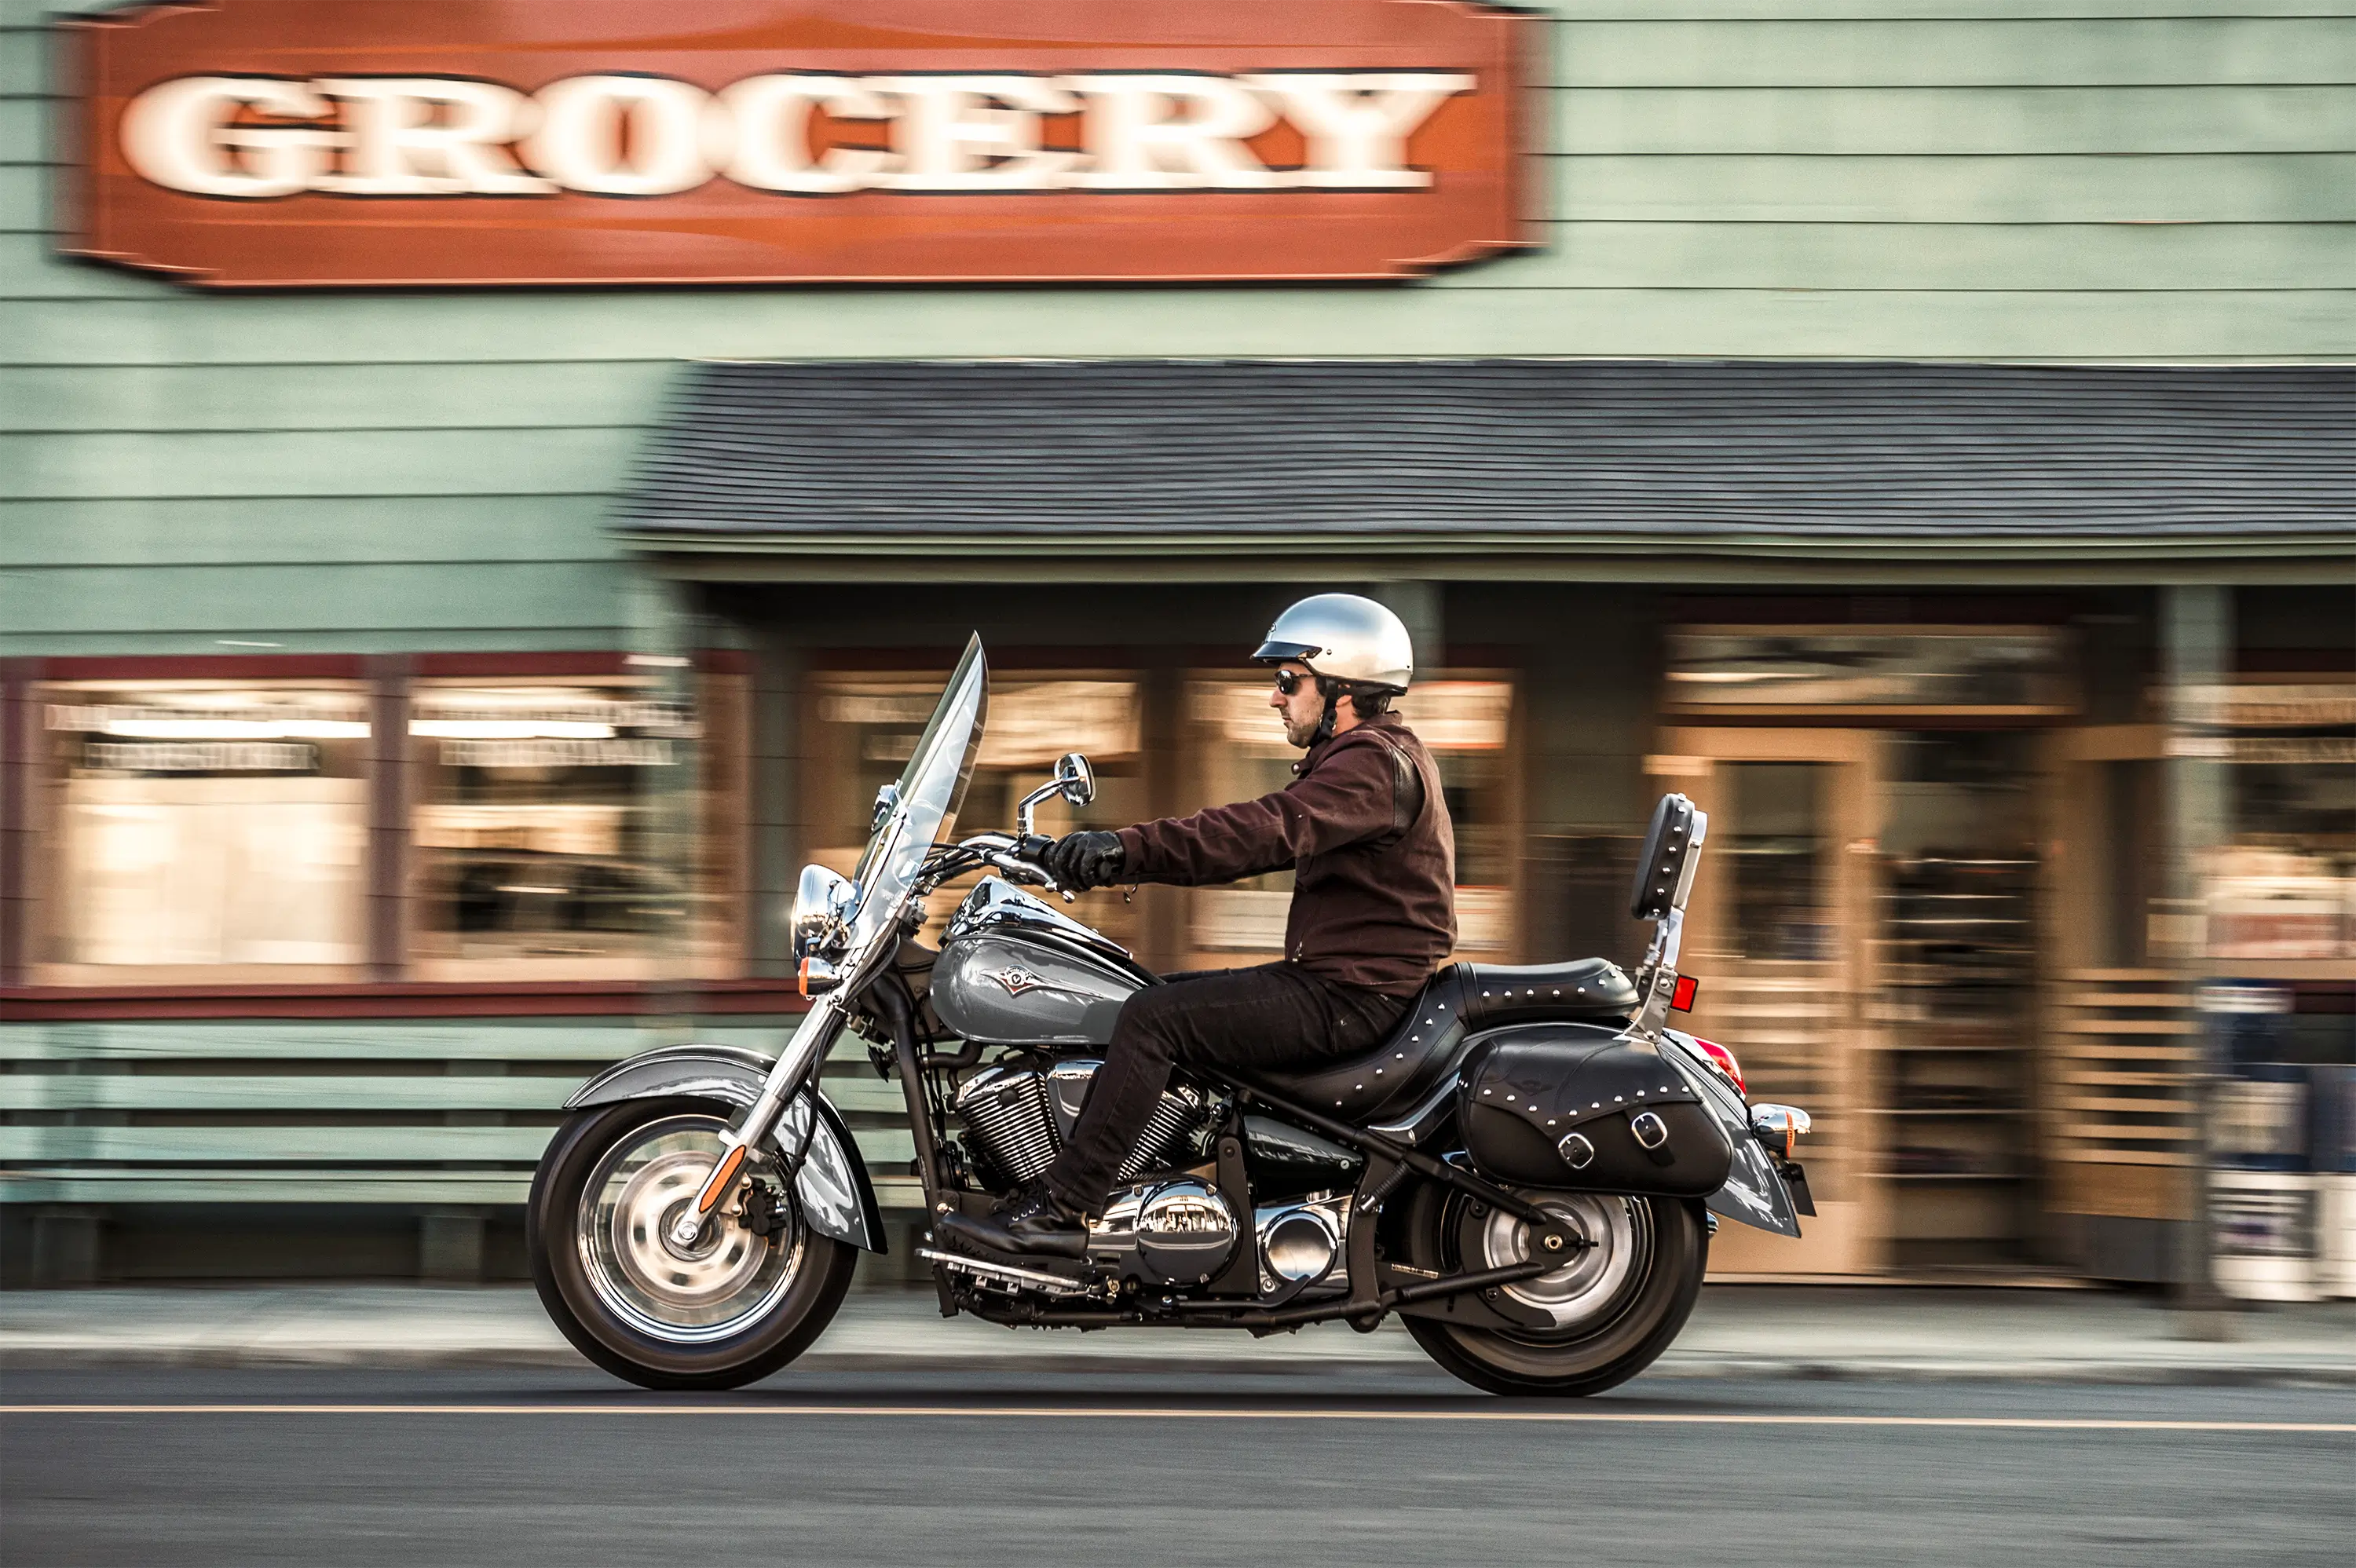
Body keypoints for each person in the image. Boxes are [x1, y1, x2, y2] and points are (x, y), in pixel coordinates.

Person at [938, 593, 1457, 1259]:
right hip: (1341, 984)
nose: (1275, 698)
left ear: (1342, 687)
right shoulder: (1372, 759)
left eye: (1288, 680)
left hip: (1351, 997)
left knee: (1154, 1018)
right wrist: (1049, 854)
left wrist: (1124, 849)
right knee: (1127, 996)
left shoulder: (1370, 764)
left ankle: (1065, 1208)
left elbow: (1254, 832)